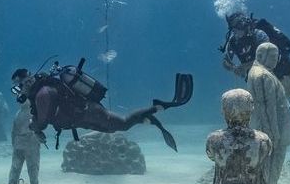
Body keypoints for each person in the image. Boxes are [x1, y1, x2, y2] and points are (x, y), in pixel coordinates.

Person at [10, 58, 193, 150]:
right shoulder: (41, 92)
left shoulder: (42, 94)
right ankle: (147, 119)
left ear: (26, 82)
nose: (19, 91)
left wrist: (35, 128)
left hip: (90, 113)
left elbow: (42, 120)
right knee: (116, 128)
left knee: (123, 124)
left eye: (18, 87)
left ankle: (160, 106)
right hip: (82, 118)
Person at [245, 44, 290, 184]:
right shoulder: (262, 75)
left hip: (273, 130)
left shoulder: (262, 73)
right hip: (273, 131)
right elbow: (267, 107)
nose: (277, 59)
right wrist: (272, 133)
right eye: (273, 57)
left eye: (277, 56)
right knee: (271, 169)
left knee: (271, 170)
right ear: (261, 56)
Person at [8, 98, 43, 184]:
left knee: (15, 167)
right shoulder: (33, 113)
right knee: (33, 167)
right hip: (31, 143)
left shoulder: (18, 113)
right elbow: (37, 129)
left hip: (18, 143)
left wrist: (14, 144)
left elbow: (13, 131)